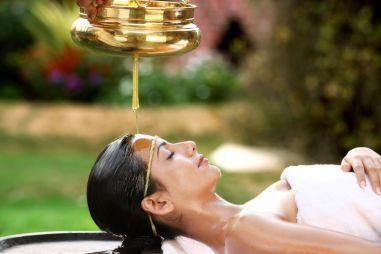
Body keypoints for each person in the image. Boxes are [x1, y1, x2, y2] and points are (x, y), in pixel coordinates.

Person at [87, 134, 381, 254]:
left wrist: (360, 157)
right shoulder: (244, 232)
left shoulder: (248, 216)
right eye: (169, 154)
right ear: (158, 203)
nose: (188, 145)